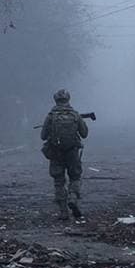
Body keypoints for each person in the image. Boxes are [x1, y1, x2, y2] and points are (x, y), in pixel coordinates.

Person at [40, 88, 89, 220]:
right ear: (68, 99)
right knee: (75, 177)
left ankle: (63, 212)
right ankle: (73, 198)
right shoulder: (75, 115)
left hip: (56, 152)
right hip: (72, 152)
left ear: (56, 100)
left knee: (58, 181)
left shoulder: (51, 116)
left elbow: (43, 136)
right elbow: (84, 134)